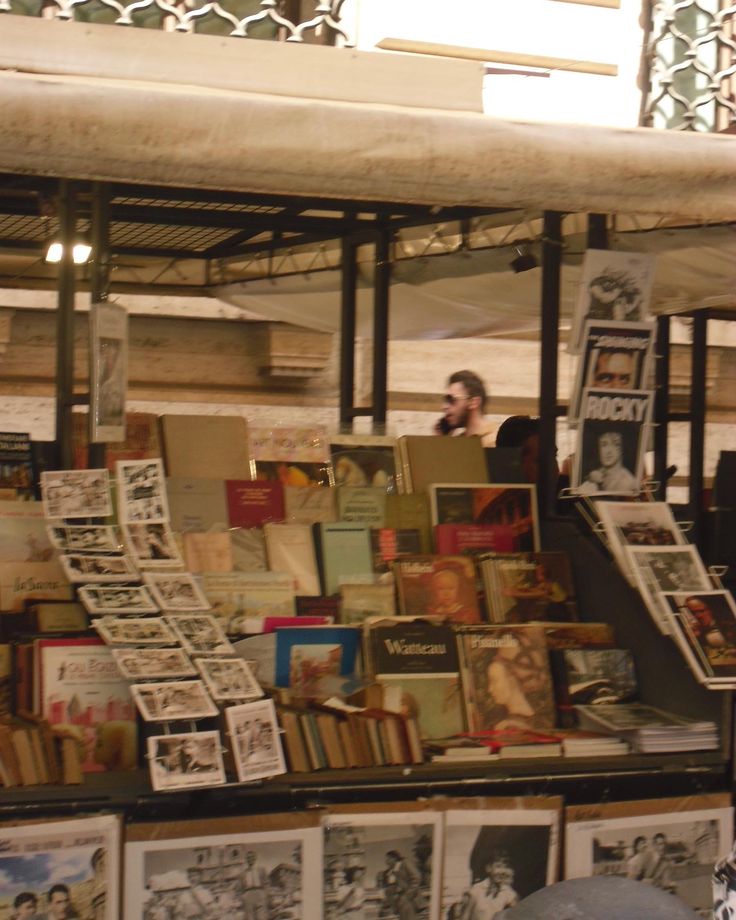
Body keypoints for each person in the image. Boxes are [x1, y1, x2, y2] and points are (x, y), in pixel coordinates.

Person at [435, 370, 495, 446]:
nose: (444, 407)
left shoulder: (495, 442)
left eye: (451, 400)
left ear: (474, 402)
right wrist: (440, 441)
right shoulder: (458, 443)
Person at [465, 850, 519, 920]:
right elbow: (464, 917)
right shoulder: (475, 891)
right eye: (498, 866)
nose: (502, 871)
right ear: (488, 868)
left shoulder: (507, 891)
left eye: (506, 867)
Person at [382, 850, 420, 920]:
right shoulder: (393, 871)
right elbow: (392, 886)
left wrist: (408, 895)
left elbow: (416, 878)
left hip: (409, 900)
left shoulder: (405, 864)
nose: (386, 862)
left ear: (394, 858)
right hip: (400, 901)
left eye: (388, 859)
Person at [239, 850, 268, 920]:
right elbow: (241, 887)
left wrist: (265, 894)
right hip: (248, 894)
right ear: (246, 860)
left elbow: (267, 883)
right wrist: (243, 896)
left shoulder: (261, 870)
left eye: (252, 857)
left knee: (261, 917)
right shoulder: (243, 873)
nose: (250, 859)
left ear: (255, 858)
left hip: (259, 892)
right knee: (250, 917)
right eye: (248, 858)